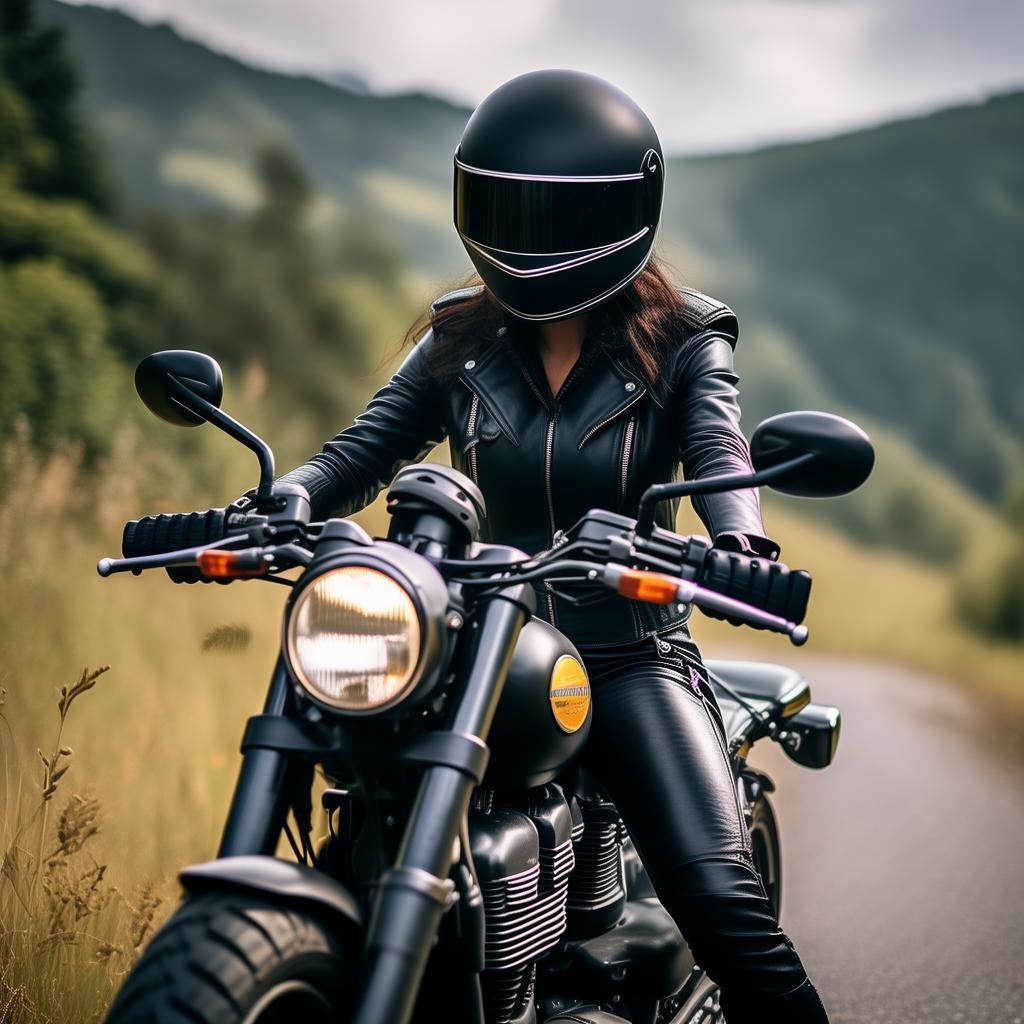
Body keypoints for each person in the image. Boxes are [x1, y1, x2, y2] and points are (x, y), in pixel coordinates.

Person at [197, 70, 829, 1022]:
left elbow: (721, 452)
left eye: (551, 214)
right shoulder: (460, 339)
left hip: (622, 653)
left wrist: (742, 545)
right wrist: (279, 501)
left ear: (622, 213)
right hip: (467, 643)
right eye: (503, 206)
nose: (525, 235)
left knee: (719, 899)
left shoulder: (685, 340)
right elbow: (359, 451)